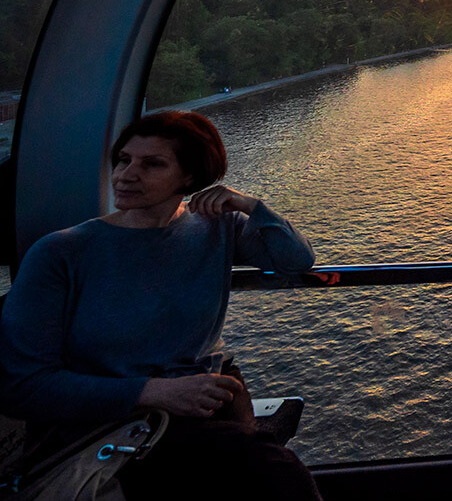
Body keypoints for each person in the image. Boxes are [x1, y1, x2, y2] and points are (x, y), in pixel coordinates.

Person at [0, 111, 321, 500]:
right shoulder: (61, 253)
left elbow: (296, 259)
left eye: (152, 164)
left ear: (190, 177)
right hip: (110, 424)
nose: (126, 174)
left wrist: (251, 205)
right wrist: (154, 392)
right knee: (277, 476)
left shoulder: (216, 228)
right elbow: (22, 386)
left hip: (205, 408)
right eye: (123, 160)